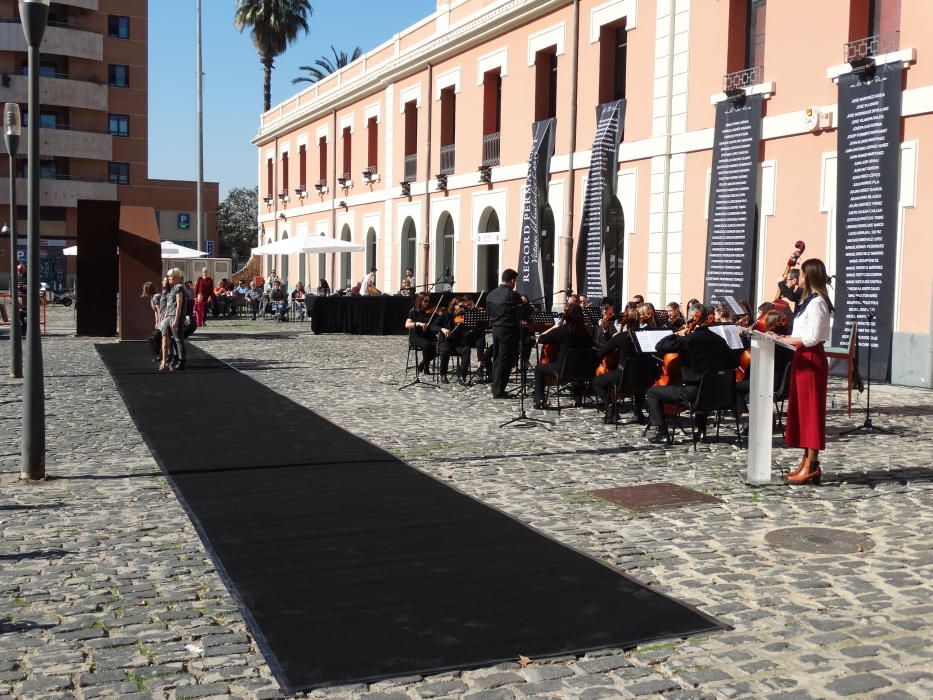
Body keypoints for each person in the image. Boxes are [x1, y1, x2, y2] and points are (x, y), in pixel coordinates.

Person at [645, 302, 738, 445]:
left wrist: (678, 333)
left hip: (694, 394)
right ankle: (701, 432)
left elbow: (660, 346)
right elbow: (734, 363)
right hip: (719, 395)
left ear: (691, 318)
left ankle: (662, 433)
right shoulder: (719, 340)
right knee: (705, 385)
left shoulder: (689, 340)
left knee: (652, 392)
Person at [776, 258, 833, 486]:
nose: (797, 278)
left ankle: (812, 465)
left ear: (809, 276)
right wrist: (783, 338)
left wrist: (785, 338)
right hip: (801, 358)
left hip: (811, 359)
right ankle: (805, 462)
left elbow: (812, 338)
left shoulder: (818, 302)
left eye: (801, 274)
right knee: (801, 412)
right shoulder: (806, 301)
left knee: (811, 414)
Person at [533, 304, 593, 409]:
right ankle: (578, 399)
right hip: (583, 371)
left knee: (538, 368)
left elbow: (542, 339)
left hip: (563, 370)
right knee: (578, 362)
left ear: (567, 316)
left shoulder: (563, 331)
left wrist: (555, 327)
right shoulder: (585, 333)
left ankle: (540, 400)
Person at [592, 308, 643, 423]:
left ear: (625, 320)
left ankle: (611, 408)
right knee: (639, 376)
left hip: (623, 376)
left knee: (596, 382)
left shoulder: (622, 337)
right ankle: (638, 412)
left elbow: (601, 352)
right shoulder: (645, 336)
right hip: (644, 377)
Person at [485, 269, 526, 398]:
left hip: (496, 330)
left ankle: (495, 387)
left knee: (497, 358)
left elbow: (489, 312)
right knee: (505, 361)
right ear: (512, 280)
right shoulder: (513, 295)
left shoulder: (491, 295)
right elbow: (522, 312)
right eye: (515, 281)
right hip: (509, 331)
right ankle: (499, 391)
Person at [437, 297, 486, 385]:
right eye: (461, 306)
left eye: (464, 306)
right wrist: (442, 329)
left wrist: (470, 325)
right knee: (445, 350)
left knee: (466, 350)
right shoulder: (446, 315)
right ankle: (443, 374)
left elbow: (468, 334)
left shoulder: (465, 316)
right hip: (446, 342)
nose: (463, 308)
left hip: (458, 343)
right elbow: (433, 325)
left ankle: (462, 376)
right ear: (454, 305)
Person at [405, 292, 442, 373]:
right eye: (425, 301)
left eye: (428, 301)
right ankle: (426, 366)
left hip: (429, 335)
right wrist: (418, 323)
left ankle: (423, 363)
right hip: (416, 336)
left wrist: (441, 315)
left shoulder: (431, 311)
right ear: (419, 301)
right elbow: (407, 324)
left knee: (441, 347)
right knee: (427, 345)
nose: (427, 303)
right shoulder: (413, 311)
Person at [159, 268, 187, 372]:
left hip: (176, 316)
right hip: (170, 316)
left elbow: (179, 305)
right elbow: (170, 305)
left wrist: (176, 319)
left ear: (175, 278)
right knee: (173, 339)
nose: (169, 280)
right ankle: (172, 359)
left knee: (179, 340)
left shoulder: (179, 288)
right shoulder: (174, 288)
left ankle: (181, 362)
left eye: (170, 278)